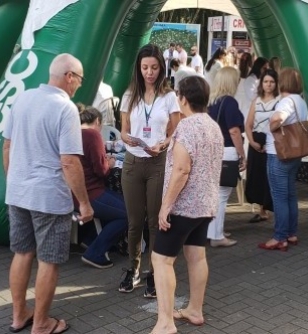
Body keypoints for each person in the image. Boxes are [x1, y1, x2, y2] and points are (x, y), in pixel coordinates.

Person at [2, 53, 91, 334]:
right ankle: (41, 323)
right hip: (48, 197)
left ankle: (19, 316)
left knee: (22, 253)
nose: (79, 85)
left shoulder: (24, 97)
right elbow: (69, 161)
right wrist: (85, 203)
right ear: (69, 76)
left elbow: (7, 146)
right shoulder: (65, 109)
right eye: (79, 79)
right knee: (49, 260)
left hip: (18, 192)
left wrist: (14, 181)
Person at [150, 76, 223, 334]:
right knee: (196, 256)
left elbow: (182, 169)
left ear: (183, 98)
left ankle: (165, 322)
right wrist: (169, 144)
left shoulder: (186, 126)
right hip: (206, 204)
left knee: (161, 260)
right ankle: (195, 309)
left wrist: (164, 206)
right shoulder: (212, 126)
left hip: (184, 206)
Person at [119, 44, 181, 297]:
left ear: (161, 68)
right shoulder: (130, 94)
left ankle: (155, 273)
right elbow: (123, 129)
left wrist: (164, 143)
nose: (149, 72)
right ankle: (133, 269)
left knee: (155, 223)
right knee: (134, 223)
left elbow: (176, 130)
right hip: (133, 163)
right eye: (145, 67)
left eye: (154, 67)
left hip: (158, 163)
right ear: (138, 68)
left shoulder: (169, 96)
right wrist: (128, 138)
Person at [259, 67, 308, 251]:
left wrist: (272, 125)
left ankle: (280, 237)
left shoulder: (286, 102)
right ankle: (291, 233)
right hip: (294, 154)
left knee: (279, 196)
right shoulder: (300, 101)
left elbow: (277, 120)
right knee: (290, 195)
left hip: (279, 154)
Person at [76, 105, 129, 269]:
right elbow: (102, 171)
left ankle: (91, 240)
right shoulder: (92, 135)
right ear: (98, 121)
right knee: (129, 213)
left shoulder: (72, 133)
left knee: (118, 204)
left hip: (76, 192)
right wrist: (110, 163)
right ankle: (95, 252)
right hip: (92, 193)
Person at [207, 66, 245, 247]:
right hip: (227, 150)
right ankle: (217, 236)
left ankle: (214, 229)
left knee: (215, 193)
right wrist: (242, 154)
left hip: (213, 151)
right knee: (222, 195)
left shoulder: (212, 102)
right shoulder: (230, 102)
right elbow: (235, 131)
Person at [245, 69, 280, 224]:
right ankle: (262, 209)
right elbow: (248, 124)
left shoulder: (279, 101)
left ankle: (271, 208)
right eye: (266, 81)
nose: (268, 85)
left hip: (272, 141)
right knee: (257, 175)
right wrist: (252, 142)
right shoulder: (256, 101)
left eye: (271, 82)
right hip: (256, 139)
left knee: (270, 176)